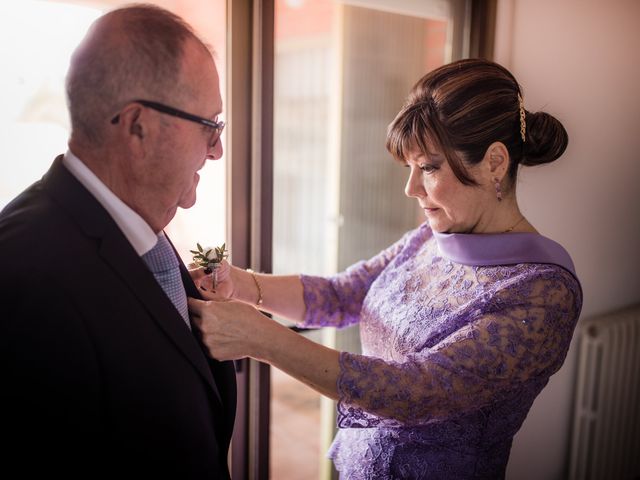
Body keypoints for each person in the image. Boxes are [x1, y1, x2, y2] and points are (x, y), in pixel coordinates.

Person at [188, 59, 583, 479]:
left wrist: (261, 339)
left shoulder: (543, 291)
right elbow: (342, 295)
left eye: (428, 167)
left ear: (495, 163)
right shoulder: (429, 239)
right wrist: (241, 284)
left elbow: (415, 393)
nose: (410, 188)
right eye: (410, 168)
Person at [0, 5, 235, 478]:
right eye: (210, 125)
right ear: (138, 127)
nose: (217, 150)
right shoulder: (26, 278)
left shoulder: (133, 221)